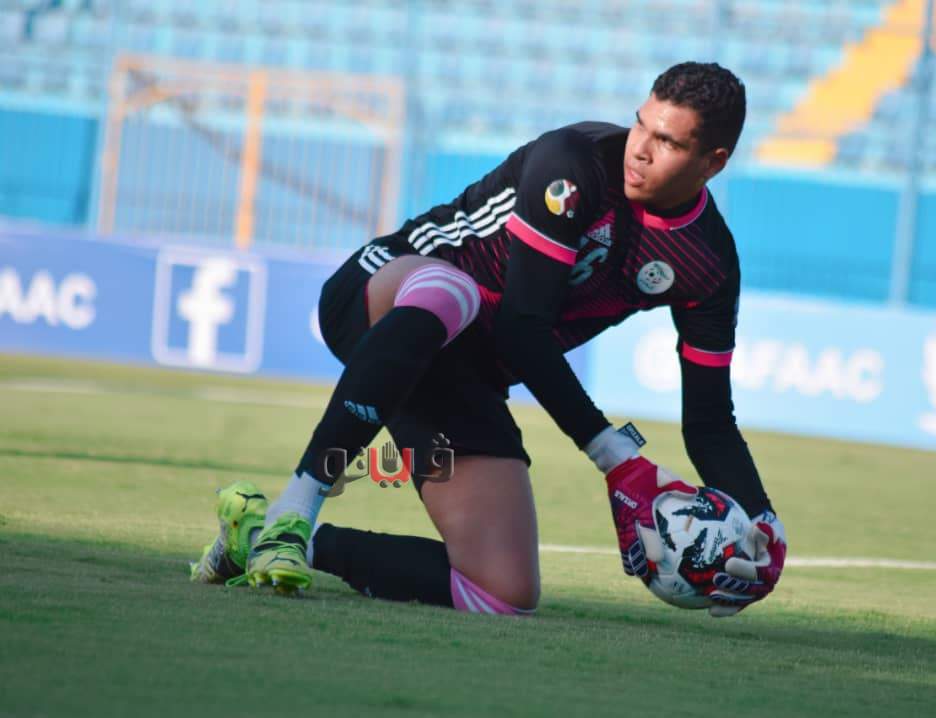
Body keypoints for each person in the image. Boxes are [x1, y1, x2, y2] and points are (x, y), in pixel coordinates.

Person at [191, 62, 787, 617]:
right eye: (641, 124)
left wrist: (762, 527)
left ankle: (261, 538)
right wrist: (616, 458)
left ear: (713, 162)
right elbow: (522, 326)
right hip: (384, 293)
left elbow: (709, 422)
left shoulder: (708, 264)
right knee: (455, 293)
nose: (641, 149)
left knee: (503, 592)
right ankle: (296, 509)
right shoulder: (575, 163)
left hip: (462, 370)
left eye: (668, 142)